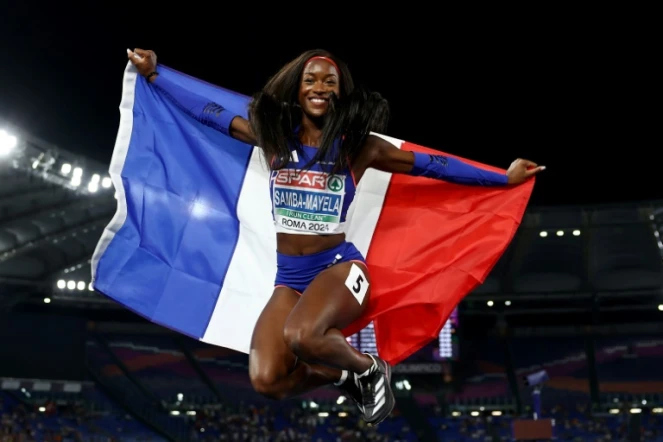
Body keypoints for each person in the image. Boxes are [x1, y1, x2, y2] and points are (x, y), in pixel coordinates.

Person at [127, 47, 544, 425]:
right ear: (296, 91)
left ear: (340, 95)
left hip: (340, 269)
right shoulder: (274, 141)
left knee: (301, 336)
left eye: (330, 81)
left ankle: (370, 369)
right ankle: (344, 374)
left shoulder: (359, 149)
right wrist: (155, 76)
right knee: (267, 379)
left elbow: (433, 165)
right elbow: (212, 113)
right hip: (288, 279)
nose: (320, 87)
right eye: (311, 80)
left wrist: (501, 178)